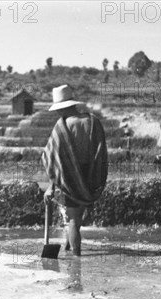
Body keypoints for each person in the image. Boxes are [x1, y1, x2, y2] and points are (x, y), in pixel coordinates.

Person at [41, 85, 108, 256]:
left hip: (70, 177)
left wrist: (51, 187)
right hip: (89, 176)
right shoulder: (93, 122)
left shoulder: (61, 127)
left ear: (62, 108)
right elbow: (100, 153)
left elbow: (55, 161)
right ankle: (69, 246)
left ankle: (76, 259)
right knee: (75, 218)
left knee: (72, 220)